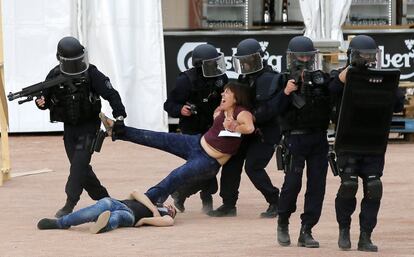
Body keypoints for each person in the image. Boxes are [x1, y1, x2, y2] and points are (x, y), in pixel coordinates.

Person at [103, 82, 254, 205]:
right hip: (195, 142)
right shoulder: (222, 109)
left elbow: (249, 127)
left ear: (236, 98)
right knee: (158, 137)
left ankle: (146, 201)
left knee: (174, 177)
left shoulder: (241, 112)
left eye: (227, 92)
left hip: (208, 161)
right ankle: (118, 130)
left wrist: (234, 126)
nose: (222, 94)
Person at [35, 36, 127, 218]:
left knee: (78, 165)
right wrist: (40, 103)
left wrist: (120, 116)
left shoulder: (92, 73)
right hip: (70, 129)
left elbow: (111, 94)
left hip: (89, 127)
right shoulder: (54, 75)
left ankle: (70, 203)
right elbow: (44, 100)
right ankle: (104, 198)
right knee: (81, 168)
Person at [330, 35, 405, 252]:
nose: (367, 59)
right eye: (362, 55)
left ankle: (365, 236)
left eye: (370, 55)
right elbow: (331, 91)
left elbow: (398, 103)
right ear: (352, 56)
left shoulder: (380, 77)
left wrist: (386, 85)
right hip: (348, 142)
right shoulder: (341, 77)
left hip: (373, 143)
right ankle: (344, 229)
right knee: (348, 186)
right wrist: (346, 76)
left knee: (374, 188)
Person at [208, 38, 283, 218]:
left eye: (248, 60)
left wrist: (251, 117)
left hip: (265, 132)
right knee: (232, 161)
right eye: (241, 61)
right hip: (245, 130)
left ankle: (275, 201)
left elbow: (271, 109)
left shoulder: (270, 79)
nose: (245, 65)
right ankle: (228, 203)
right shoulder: (244, 78)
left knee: (253, 166)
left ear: (259, 58)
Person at [274, 36, 331, 248]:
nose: (305, 59)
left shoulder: (321, 79)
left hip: (318, 138)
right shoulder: (282, 80)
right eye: (301, 55)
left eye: (309, 55)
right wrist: (286, 93)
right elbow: (272, 111)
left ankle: (306, 230)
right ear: (292, 57)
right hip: (295, 139)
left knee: (317, 186)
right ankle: (283, 221)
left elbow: (333, 102)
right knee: (292, 185)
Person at [164, 43, 228, 213]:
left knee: (210, 167)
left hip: (213, 129)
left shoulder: (221, 78)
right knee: (204, 167)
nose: (215, 66)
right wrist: (180, 110)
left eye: (216, 62)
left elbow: (229, 98)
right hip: (192, 130)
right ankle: (204, 201)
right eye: (210, 63)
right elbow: (169, 105)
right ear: (200, 66)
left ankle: (182, 194)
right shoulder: (185, 80)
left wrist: (222, 107)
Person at [37, 191, 176, 234]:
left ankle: (103, 225)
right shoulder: (153, 203)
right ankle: (61, 223)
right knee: (100, 206)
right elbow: (134, 193)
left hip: (131, 217)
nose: (171, 208)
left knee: (117, 217)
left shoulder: (165, 215)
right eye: (171, 206)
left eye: (173, 211)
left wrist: (145, 220)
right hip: (118, 203)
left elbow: (169, 222)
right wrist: (153, 209)